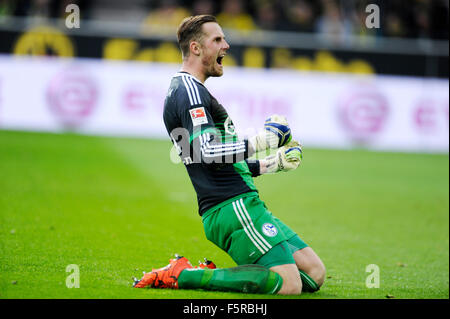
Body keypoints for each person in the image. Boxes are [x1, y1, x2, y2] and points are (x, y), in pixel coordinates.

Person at [133, 14, 325, 295]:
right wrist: (265, 140)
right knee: (289, 285)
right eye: (218, 39)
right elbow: (207, 151)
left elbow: (220, 160)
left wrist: (274, 163)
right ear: (196, 48)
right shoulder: (188, 91)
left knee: (314, 273)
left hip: (240, 201)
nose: (227, 45)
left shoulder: (192, 90)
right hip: (231, 206)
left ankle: (229, 276)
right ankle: (185, 275)